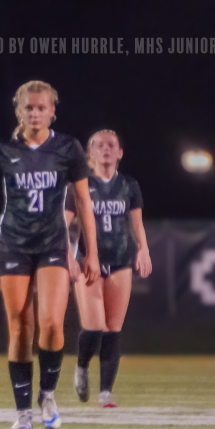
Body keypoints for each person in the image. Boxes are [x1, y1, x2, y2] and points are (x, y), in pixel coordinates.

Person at [0, 80, 100, 429]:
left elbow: (84, 201)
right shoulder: (2, 148)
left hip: (53, 243)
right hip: (12, 243)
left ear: (53, 110)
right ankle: (23, 409)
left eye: (42, 107)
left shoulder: (68, 148)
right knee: (19, 325)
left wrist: (90, 253)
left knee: (52, 324)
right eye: (29, 107)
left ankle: (48, 394)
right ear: (19, 110)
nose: (35, 113)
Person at [65, 130, 151, 408]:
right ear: (90, 154)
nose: (105, 149)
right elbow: (64, 224)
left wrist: (144, 249)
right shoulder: (79, 185)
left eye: (111, 145)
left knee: (113, 328)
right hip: (88, 261)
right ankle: (81, 367)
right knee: (93, 327)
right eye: (99, 145)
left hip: (121, 260)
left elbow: (136, 224)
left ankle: (105, 393)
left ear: (120, 153)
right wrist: (67, 252)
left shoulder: (129, 185)